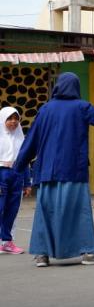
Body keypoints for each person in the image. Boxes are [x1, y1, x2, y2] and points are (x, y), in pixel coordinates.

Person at [13, 72, 94, 267]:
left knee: (45, 211)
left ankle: (42, 255)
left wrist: (18, 167)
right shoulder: (81, 106)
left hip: (46, 171)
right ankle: (89, 252)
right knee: (79, 211)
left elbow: (31, 140)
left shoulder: (45, 109)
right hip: (72, 169)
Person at [0, 107, 31, 254]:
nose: (13, 122)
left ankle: (7, 242)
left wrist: (27, 183)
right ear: (3, 119)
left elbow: (24, 161)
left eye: (16, 118)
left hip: (17, 176)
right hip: (1, 175)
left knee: (12, 210)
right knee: (0, 208)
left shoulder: (20, 138)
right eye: (9, 119)